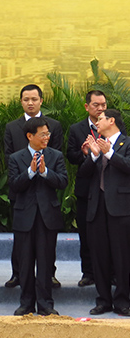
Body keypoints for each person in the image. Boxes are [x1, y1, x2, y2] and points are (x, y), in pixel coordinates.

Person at [4, 84, 63, 289]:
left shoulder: (54, 125)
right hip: (22, 192)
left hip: (46, 194)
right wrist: (27, 170)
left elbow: (58, 159)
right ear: (21, 101)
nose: (30, 102)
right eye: (26, 99)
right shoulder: (12, 126)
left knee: (47, 245)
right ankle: (17, 273)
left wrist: (44, 171)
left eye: (34, 99)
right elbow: (8, 155)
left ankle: (49, 276)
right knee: (22, 241)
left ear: (41, 100)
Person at [8, 117, 68, 316]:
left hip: (47, 217)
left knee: (45, 262)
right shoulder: (16, 158)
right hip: (24, 217)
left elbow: (63, 182)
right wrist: (31, 172)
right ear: (29, 136)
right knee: (25, 263)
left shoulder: (56, 156)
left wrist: (45, 173)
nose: (46, 138)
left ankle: (45, 304)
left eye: (48, 134)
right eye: (42, 134)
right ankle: (26, 303)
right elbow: (15, 185)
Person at [80, 109, 130, 316]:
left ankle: (123, 300)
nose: (97, 122)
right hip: (96, 207)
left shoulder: (126, 143)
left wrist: (109, 153)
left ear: (111, 120)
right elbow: (83, 175)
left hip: (120, 208)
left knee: (122, 256)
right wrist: (92, 156)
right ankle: (103, 300)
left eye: (100, 119)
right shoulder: (96, 144)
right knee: (99, 255)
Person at [67, 90, 117, 287]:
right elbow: (70, 156)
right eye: (96, 105)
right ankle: (88, 272)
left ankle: (112, 272)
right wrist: (84, 154)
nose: (100, 108)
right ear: (87, 107)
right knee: (86, 232)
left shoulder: (113, 126)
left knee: (110, 232)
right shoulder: (76, 129)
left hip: (109, 189)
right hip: (86, 189)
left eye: (103, 105)